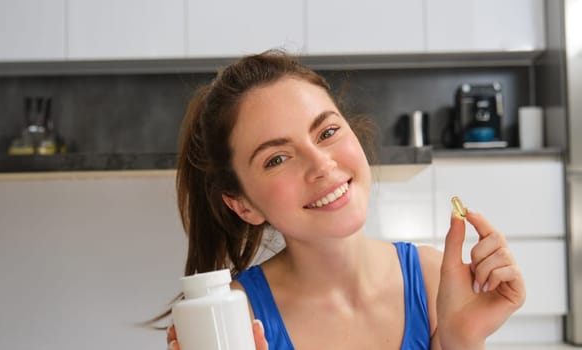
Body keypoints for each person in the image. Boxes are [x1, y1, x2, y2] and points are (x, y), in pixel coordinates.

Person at [164, 50, 525, 350]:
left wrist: (463, 339)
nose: (322, 164)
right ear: (243, 205)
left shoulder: (436, 282)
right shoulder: (231, 320)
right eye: (277, 158)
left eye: (327, 131)